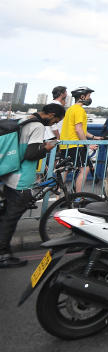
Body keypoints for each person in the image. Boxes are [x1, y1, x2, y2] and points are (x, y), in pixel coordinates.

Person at [0, 103, 65, 268]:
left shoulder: (25, 119)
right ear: (50, 114)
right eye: (56, 120)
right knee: (10, 219)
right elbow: (30, 154)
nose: (54, 124)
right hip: (21, 180)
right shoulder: (37, 126)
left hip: (10, 175)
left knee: (6, 215)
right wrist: (47, 147)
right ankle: (2, 255)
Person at [60, 86, 101, 193]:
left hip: (66, 145)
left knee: (65, 170)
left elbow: (81, 130)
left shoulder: (70, 109)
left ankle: (58, 197)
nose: (90, 98)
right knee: (85, 169)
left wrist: (94, 137)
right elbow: (79, 130)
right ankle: (78, 197)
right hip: (76, 146)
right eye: (89, 96)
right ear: (82, 97)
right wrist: (87, 145)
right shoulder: (79, 110)